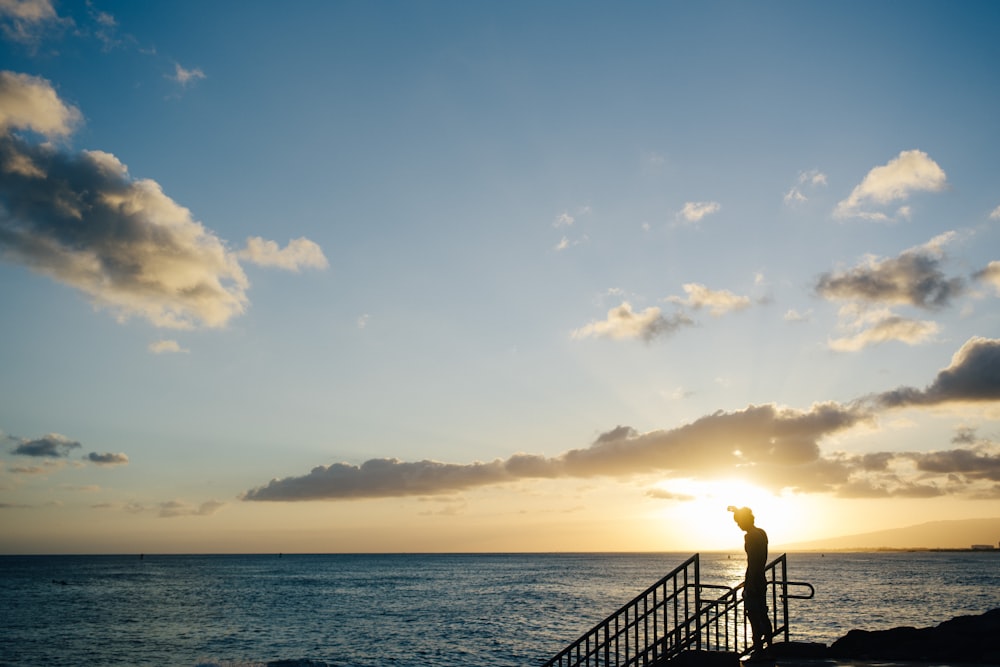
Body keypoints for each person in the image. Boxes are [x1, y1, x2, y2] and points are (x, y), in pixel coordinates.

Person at [729, 506, 773, 658]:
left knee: (754, 615)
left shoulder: (750, 536)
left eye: (739, 522)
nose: (738, 525)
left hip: (754, 579)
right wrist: (736, 511)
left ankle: (759, 651)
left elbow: (752, 562)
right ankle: (769, 648)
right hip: (762, 578)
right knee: (763, 614)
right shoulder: (761, 533)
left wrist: (749, 584)